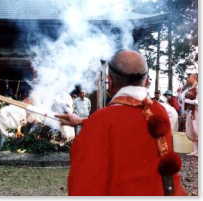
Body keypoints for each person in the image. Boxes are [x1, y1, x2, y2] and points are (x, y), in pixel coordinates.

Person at [57, 50, 186, 196]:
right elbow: (130, 123)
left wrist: (89, 123)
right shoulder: (159, 111)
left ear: (109, 81)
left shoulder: (101, 121)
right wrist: (81, 121)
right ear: (145, 80)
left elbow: (83, 184)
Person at [183, 73, 198, 156]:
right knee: (192, 130)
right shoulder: (190, 88)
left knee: (197, 130)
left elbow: (199, 101)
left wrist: (188, 101)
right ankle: (195, 150)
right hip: (191, 111)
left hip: (197, 111)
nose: (188, 78)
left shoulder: (199, 87)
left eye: (189, 77)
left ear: (194, 78)